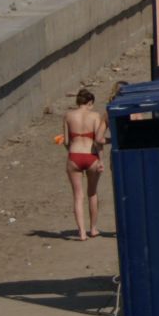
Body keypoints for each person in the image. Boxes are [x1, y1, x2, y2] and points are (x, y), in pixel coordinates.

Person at [61, 87, 108, 241]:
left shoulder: (68, 116)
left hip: (74, 156)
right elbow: (98, 141)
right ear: (90, 102)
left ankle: (81, 232)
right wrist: (101, 160)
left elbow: (66, 142)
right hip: (91, 155)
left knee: (77, 196)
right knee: (92, 193)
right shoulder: (95, 116)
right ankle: (93, 229)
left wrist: (73, 149)